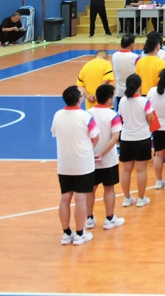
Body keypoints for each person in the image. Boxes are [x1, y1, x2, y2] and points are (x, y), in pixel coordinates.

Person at [52, 86, 99, 246]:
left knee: (65, 197)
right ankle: (80, 233)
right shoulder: (86, 116)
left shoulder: (57, 115)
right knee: (80, 198)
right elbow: (95, 137)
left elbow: (55, 133)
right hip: (82, 163)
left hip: (64, 163)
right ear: (80, 99)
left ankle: (66, 234)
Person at [87, 83, 124, 232]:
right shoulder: (113, 115)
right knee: (109, 189)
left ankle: (89, 218)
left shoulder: (87, 114)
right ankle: (109, 219)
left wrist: (93, 152)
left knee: (90, 189)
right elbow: (115, 138)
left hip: (91, 160)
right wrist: (102, 153)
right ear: (109, 99)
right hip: (108, 160)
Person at [116, 73, 155, 207]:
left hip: (126, 138)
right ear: (140, 85)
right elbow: (150, 118)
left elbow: (121, 117)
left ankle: (127, 198)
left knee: (126, 170)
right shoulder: (144, 101)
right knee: (141, 170)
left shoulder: (122, 101)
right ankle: (141, 198)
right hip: (142, 138)